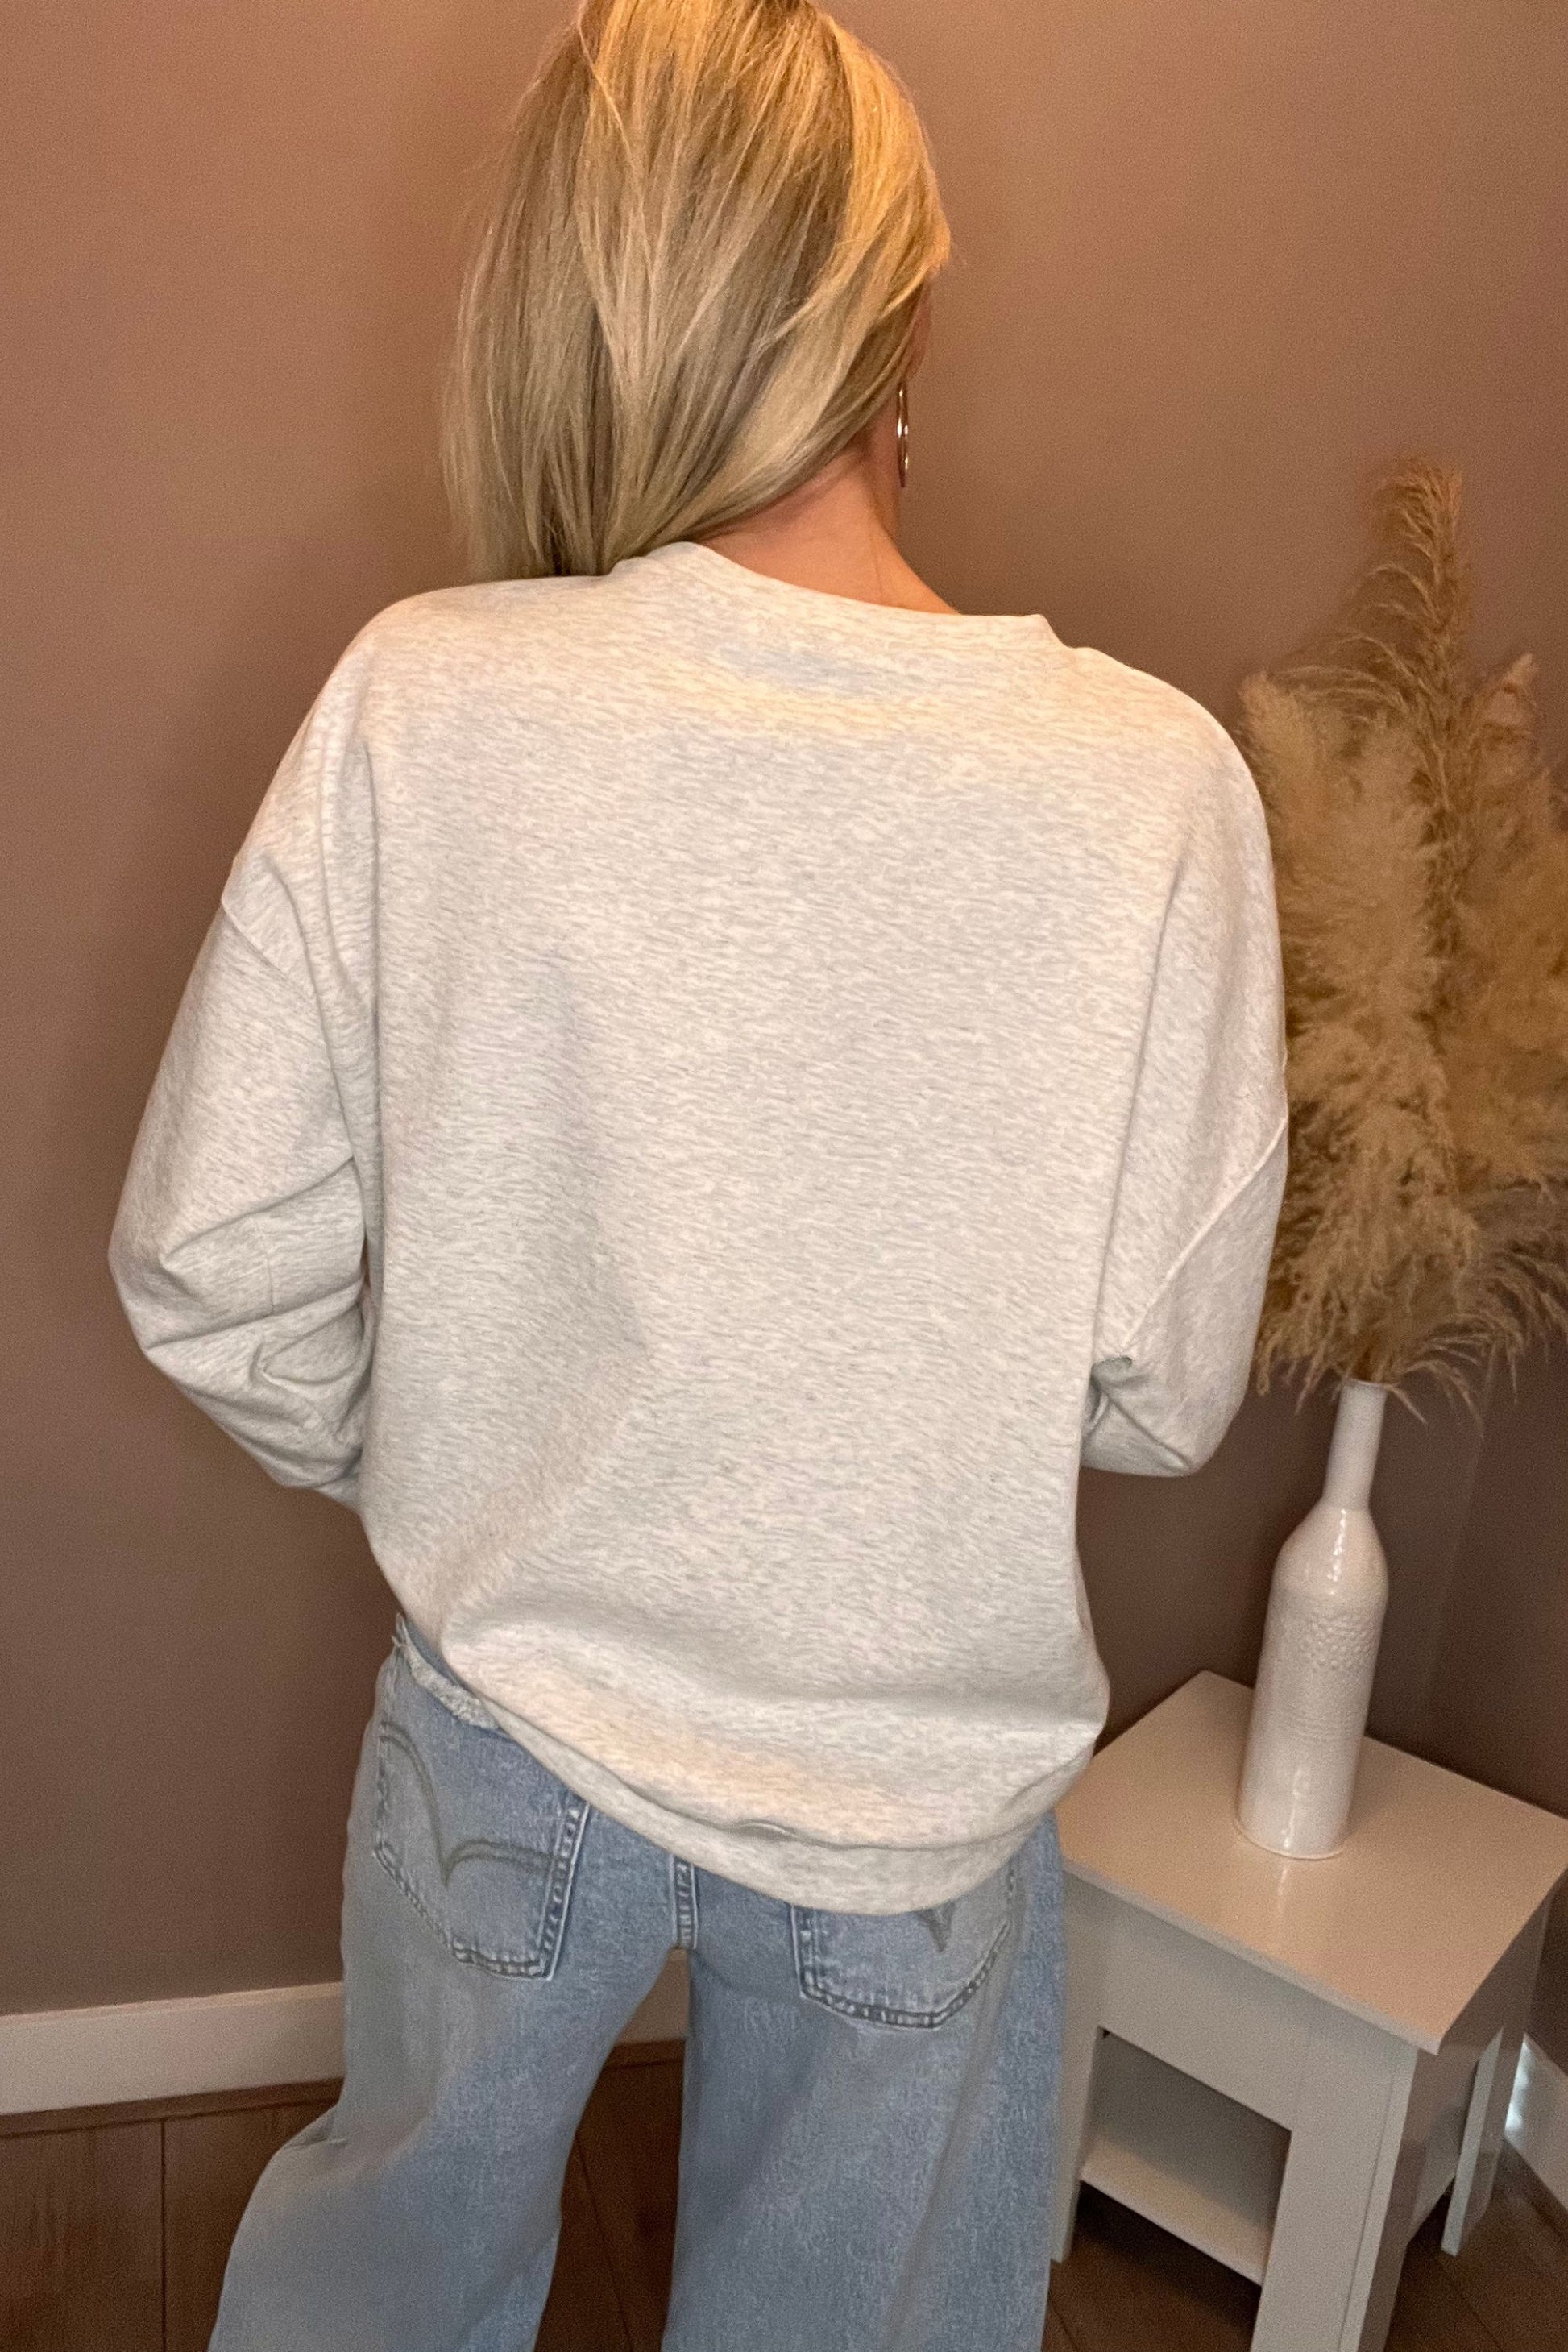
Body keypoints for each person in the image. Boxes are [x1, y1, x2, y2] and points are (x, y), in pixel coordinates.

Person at [107, 1, 1288, 2345]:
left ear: (568, 295)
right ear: (901, 311)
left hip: (508, 1719)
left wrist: (478, 1438)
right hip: (911, 1795)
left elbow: (211, 1266)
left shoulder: (426, 698)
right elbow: (1162, 1397)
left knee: (384, 2285)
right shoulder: (1151, 792)